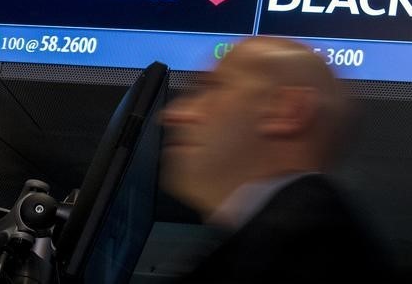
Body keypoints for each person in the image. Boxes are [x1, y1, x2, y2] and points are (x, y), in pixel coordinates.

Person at [160, 37, 390, 283]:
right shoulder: (278, 238)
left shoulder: (301, 250)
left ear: (288, 111)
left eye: (212, 87)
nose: (174, 115)